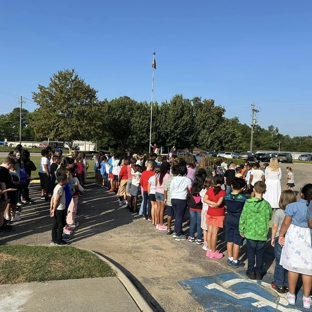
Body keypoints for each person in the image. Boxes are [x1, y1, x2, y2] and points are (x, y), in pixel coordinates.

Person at [278, 184, 312, 309]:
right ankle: (307, 298)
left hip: (295, 235)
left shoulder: (292, 206)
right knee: (308, 268)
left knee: (293, 266)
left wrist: (281, 235)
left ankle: (291, 295)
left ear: (301, 194)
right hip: (309, 236)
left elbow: (286, 223)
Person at [239, 181, 272, 280]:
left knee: (251, 252)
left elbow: (243, 217)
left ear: (254, 189)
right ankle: (259, 271)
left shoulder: (248, 204)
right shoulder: (266, 205)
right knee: (260, 253)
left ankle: (250, 270)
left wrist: (241, 230)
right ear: (265, 191)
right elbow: (270, 216)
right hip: (261, 233)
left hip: (250, 232)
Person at [270, 190, 297, 293]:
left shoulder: (279, 212)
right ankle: (287, 284)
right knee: (288, 262)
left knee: (279, 262)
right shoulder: (295, 212)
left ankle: (278, 283)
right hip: (290, 238)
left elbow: (275, 226)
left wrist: (273, 238)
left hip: (279, 237)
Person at [224, 178, 247, 267]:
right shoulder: (244, 198)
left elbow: (225, 206)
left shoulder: (227, 196)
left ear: (232, 186)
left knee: (229, 240)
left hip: (229, 219)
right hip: (239, 220)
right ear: (242, 188)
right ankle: (235, 260)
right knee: (237, 242)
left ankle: (230, 258)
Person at [204, 175, 226, 259]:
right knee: (215, 233)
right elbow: (218, 203)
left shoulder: (210, 189)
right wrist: (214, 204)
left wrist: (210, 204)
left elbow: (205, 199)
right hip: (219, 214)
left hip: (210, 212)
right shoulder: (222, 192)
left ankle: (209, 250)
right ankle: (213, 251)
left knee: (209, 232)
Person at [170, 164, 192, 241]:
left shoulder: (174, 179)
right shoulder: (188, 180)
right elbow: (190, 189)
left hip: (173, 198)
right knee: (180, 216)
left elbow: (171, 189)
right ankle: (178, 234)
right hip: (182, 199)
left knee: (177, 216)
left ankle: (176, 231)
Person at [50, 170, 69, 245]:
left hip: (56, 208)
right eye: (66, 179)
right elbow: (57, 200)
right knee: (60, 224)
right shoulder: (61, 189)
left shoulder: (56, 187)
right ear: (62, 180)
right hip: (60, 208)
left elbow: (52, 198)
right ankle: (59, 240)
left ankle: (54, 239)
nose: (67, 180)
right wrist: (54, 209)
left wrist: (51, 207)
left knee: (55, 224)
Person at [0, 157, 16, 231]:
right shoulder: (3, 171)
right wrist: (5, 194)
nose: (11, 167)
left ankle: (2, 222)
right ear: (8, 164)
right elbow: (2, 182)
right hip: (4, 193)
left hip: (4, 192)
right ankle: (1, 225)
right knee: (1, 210)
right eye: (11, 165)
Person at [187, 174, 204, 244]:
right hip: (200, 207)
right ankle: (199, 238)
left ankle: (191, 236)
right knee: (199, 223)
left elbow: (188, 196)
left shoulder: (191, 188)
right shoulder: (202, 189)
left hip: (192, 206)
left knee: (192, 222)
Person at [155, 162, 171, 231]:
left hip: (157, 191)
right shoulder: (168, 175)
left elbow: (156, 183)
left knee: (158, 209)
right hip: (163, 192)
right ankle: (161, 224)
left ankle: (158, 223)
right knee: (162, 209)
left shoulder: (158, 174)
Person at [164, 165, 179, 235]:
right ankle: (177, 229)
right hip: (177, 199)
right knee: (177, 215)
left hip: (170, 199)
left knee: (169, 215)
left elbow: (165, 190)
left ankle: (169, 228)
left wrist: (165, 198)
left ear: (172, 172)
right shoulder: (180, 180)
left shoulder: (169, 179)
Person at [200, 176, 214, 251]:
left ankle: (205, 242)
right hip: (209, 210)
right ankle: (209, 242)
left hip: (203, 210)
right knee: (210, 228)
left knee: (204, 228)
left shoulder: (202, 190)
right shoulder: (211, 191)